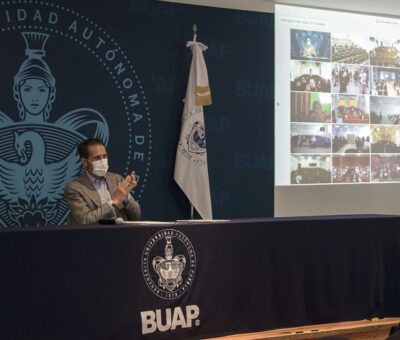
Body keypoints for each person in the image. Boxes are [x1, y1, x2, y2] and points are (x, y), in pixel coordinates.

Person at [64, 138, 141, 224]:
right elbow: (84, 220)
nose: (103, 161)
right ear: (84, 162)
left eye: (104, 156)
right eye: (97, 158)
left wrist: (126, 197)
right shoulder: (74, 188)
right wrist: (113, 202)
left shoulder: (117, 179)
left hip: (121, 233)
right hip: (93, 235)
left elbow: (136, 216)